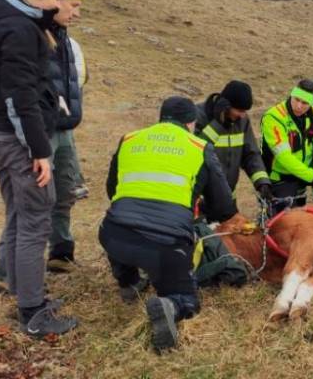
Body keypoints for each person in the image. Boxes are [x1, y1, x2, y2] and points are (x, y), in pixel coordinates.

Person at [99, 96, 243, 350]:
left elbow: (112, 189)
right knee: (188, 300)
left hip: (113, 234)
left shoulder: (130, 139)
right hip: (167, 244)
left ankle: (129, 281)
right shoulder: (199, 147)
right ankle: (171, 304)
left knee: (121, 232)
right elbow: (222, 205)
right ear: (191, 123)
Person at [0, 0, 77, 336]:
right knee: (34, 220)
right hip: (16, 139)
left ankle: (20, 289)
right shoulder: (19, 30)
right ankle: (32, 311)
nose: (59, 5)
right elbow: (19, 97)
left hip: (4, 135)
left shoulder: (8, 18)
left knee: (17, 213)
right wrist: (39, 151)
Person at [45, 0, 89, 272]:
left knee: (65, 192)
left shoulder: (71, 45)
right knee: (33, 201)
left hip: (65, 131)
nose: (77, 13)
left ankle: (60, 252)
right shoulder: (32, 38)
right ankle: (8, 271)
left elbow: (78, 83)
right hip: (39, 132)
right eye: (72, 5)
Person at [195, 80, 272, 207]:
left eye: (245, 111)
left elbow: (251, 154)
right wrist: (218, 124)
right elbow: (195, 150)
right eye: (240, 110)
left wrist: (262, 182)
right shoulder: (198, 115)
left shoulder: (242, 121)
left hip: (228, 198)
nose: (243, 116)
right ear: (225, 105)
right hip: (201, 199)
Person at [260, 80, 313, 215]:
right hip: (281, 176)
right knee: (284, 219)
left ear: (311, 103)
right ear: (291, 95)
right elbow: (284, 157)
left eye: (305, 103)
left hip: (304, 171)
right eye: (296, 100)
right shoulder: (274, 117)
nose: (299, 106)